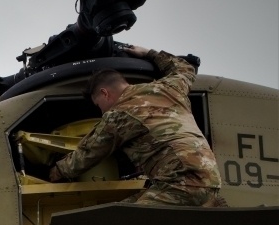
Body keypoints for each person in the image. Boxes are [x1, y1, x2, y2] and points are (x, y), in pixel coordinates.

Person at [48, 45, 228, 207]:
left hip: (181, 182)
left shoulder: (119, 115)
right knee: (123, 206)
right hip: (208, 177)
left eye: (98, 105)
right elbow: (185, 68)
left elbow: (87, 153)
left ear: (104, 93)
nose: (101, 112)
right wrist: (149, 53)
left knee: (119, 220)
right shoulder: (167, 88)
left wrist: (56, 172)